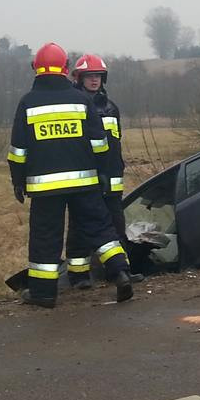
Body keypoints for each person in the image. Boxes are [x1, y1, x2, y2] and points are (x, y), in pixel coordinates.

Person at [7, 42, 135, 307]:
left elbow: (18, 151)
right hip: (85, 183)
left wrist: (18, 181)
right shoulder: (81, 100)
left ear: (35, 68)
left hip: (45, 189)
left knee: (45, 238)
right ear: (66, 68)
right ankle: (121, 273)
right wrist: (102, 173)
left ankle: (43, 294)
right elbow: (100, 143)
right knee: (101, 228)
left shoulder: (28, 103)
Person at [64, 54, 141, 287]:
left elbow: (116, 141)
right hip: (87, 178)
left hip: (113, 177)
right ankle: (78, 276)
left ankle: (120, 272)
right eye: (89, 76)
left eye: (98, 75)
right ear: (79, 78)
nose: (94, 80)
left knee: (117, 225)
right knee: (79, 226)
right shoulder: (75, 107)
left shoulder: (111, 107)